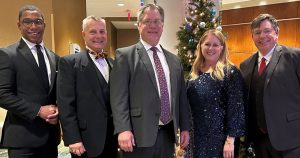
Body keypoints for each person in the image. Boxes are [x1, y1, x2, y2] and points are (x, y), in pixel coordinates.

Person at [110, 3, 190, 158]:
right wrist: (123, 129)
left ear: (162, 25)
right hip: (137, 135)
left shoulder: (174, 60)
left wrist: (185, 127)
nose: (153, 25)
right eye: (147, 21)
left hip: (167, 135)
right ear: (139, 25)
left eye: (157, 21)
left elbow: (181, 97)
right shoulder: (125, 56)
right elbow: (118, 97)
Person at [0, 5, 60, 158]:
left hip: (51, 139)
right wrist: (38, 111)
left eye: (38, 22)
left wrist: (59, 111)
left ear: (44, 25)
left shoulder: (54, 58)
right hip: (22, 140)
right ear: (19, 25)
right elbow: (2, 95)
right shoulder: (8, 55)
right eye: (27, 22)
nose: (33, 26)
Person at [57, 15, 118, 158]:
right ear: (83, 34)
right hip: (84, 141)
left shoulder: (114, 63)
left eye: (102, 31)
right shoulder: (69, 63)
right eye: (93, 32)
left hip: (112, 139)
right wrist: (72, 138)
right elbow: (65, 104)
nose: (98, 36)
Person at [240, 13, 300, 157]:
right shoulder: (245, 65)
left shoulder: (295, 57)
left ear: (277, 32)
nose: (262, 36)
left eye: (267, 31)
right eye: (257, 32)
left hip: (291, 139)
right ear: (252, 37)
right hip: (259, 141)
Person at [186, 29, 245, 158]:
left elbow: (236, 108)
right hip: (195, 137)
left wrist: (230, 141)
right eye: (207, 44)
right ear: (200, 46)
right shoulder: (194, 73)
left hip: (221, 140)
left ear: (222, 48)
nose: (210, 48)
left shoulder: (230, 72)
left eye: (215, 45)